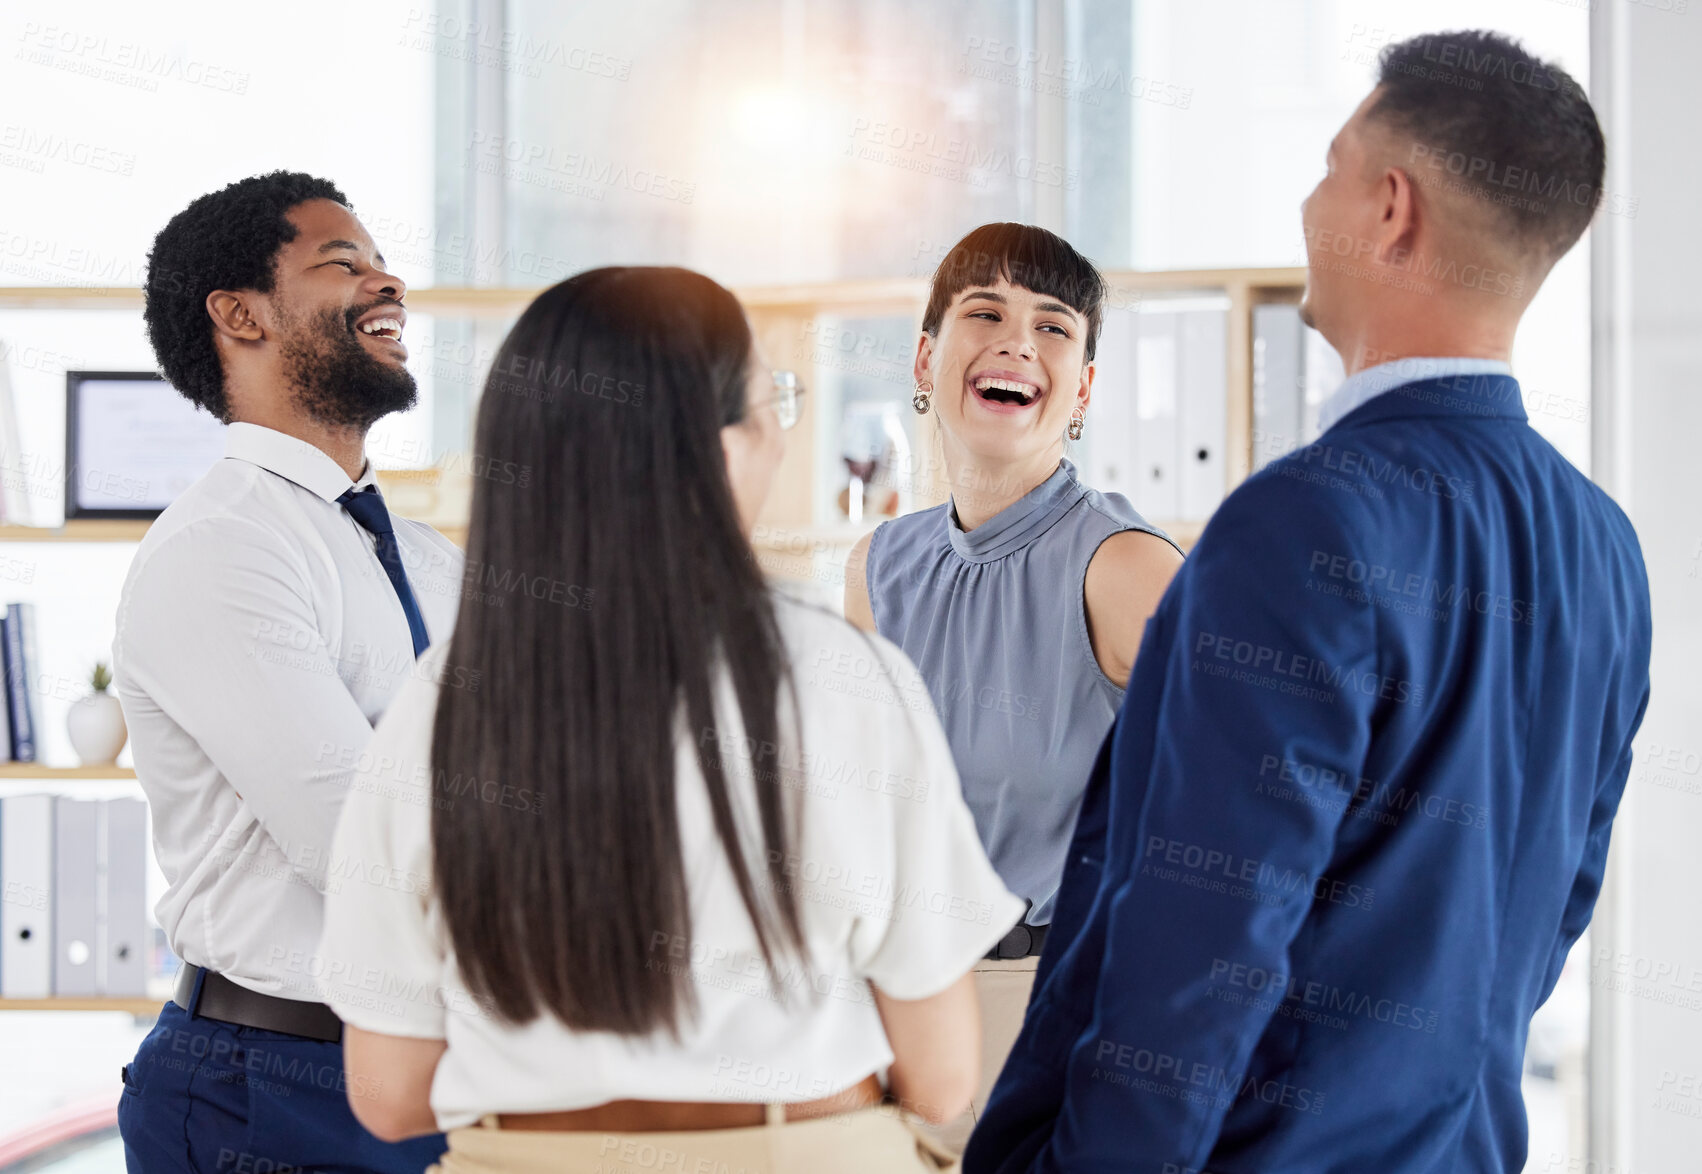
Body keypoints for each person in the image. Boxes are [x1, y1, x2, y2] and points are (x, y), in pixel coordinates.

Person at [967, 30, 1651, 1174]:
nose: (1306, 201)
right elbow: (1548, 910)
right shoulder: (1602, 543)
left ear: (1390, 209)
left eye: (1329, 167)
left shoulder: (1301, 522)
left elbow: (1205, 937)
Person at [315, 265, 1025, 1174]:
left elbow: (389, 1096)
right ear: (719, 447)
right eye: (772, 401)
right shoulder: (846, 680)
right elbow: (942, 1078)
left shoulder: (439, 705)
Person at [113, 172, 464, 1173]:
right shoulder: (222, 550)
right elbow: (368, 851)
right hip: (270, 1089)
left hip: (434, 1070)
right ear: (241, 315)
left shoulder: (427, 557)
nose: (386, 280)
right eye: (341, 263)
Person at [842, 222, 1184, 1145]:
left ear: (1083, 386)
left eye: (1055, 327)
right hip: (893, 1012)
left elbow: (1233, 830)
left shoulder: (1126, 567)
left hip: (1060, 1017)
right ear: (926, 356)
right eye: (984, 313)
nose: (1016, 343)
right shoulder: (878, 565)